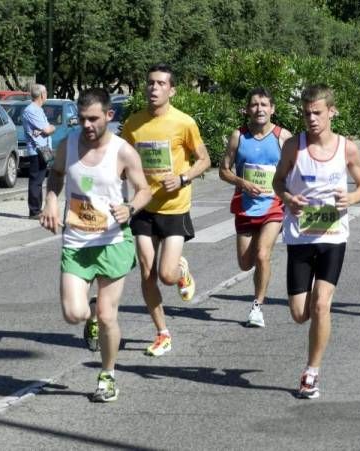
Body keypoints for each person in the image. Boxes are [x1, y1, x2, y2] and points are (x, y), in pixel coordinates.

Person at [39, 88, 151, 402]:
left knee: (108, 315)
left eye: (93, 119)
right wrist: (51, 200)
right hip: (76, 242)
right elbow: (57, 173)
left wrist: (130, 208)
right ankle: (88, 317)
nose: (86, 125)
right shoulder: (68, 145)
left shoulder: (123, 151)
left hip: (113, 241)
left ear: (108, 116)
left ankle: (107, 375)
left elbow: (144, 190)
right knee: (74, 313)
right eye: (82, 118)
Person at [273, 84, 360, 399]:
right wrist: (288, 198)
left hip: (333, 237)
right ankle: (317, 327)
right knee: (300, 313)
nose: (311, 119)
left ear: (332, 111)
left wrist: (351, 198)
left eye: (317, 112)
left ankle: (311, 373)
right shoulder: (293, 146)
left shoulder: (347, 148)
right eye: (306, 113)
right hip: (300, 238)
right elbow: (278, 180)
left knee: (321, 304)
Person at [120, 64, 211, 357]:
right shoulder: (133, 124)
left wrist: (183, 178)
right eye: (150, 83)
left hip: (174, 207)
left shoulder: (184, 123)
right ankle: (163, 333)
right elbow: (122, 161)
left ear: (171, 90)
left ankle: (181, 270)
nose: (154, 88)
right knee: (147, 271)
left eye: (160, 83)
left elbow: (204, 159)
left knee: (167, 274)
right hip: (143, 208)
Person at [219, 87, 292, 327]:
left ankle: (257, 307)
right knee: (245, 263)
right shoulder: (238, 137)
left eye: (264, 105)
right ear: (247, 110)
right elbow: (223, 170)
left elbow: (296, 170)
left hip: (273, 206)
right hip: (245, 207)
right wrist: (241, 182)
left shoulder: (283, 137)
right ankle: (257, 300)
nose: (259, 109)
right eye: (254, 105)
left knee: (262, 254)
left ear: (272, 109)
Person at [22, 84, 55, 219]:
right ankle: (34, 211)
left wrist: (45, 130)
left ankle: (38, 209)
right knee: (36, 180)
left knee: (40, 180)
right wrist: (45, 130)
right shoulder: (31, 110)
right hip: (36, 150)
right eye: (46, 93)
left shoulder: (39, 110)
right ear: (42, 95)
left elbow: (49, 128)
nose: (46, 95)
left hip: (43, 149)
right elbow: (48, 129)